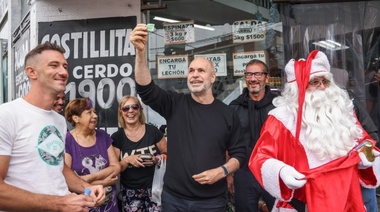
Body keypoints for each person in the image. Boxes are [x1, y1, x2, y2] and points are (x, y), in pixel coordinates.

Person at [130, 23, 246, 211]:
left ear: (212, 77)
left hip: (212, 202)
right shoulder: (175, 104)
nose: (195, 75)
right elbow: (146, 89)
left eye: (201, 71)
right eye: (191, 70)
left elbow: (239, 154)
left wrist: (222, 171)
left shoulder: (228, 114)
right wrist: (140, 53)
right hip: (174, 199)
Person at [248, 50, 380, 212]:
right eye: (314, 82)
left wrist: (367, 155)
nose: (323, 87)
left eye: (325, 81)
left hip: (347, 197)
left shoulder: (342, 110)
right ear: (298, 87)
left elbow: (365, 140)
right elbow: (260, 157)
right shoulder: (281, 118)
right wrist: (281, 171)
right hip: (305, 202)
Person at [0, 42, 105, 211]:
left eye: (65, 66)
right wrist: (60, 203)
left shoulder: (59, 120)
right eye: (54, 66)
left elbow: (57, 165)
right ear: (31, 72)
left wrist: (86, 188)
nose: (63, 72)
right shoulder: (6, 115)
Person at [229, 59, 276, 212]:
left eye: (257, 74)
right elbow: (227, 141)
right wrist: (229, 173)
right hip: (244, 174)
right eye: (249, 74)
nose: (253, 79)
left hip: (274, 173)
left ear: (266, 78)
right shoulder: (234, 108)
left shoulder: (279, 105)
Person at [111, 95, 167, 211]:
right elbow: (114, 169)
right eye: (126, 108)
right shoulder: (117, 137)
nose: (130, 111)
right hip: (130, 192)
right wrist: (127, 160)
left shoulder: (153, 131)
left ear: (140, 110)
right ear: (121, 112)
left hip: (156, 188)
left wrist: (157, 159)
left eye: (134, 107)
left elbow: (168, 154)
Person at [65, 97, 121, 212]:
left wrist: (89, 178)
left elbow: (116, 167)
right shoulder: (67, 140)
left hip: (109, 205)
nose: (95, 116)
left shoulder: (103, 136)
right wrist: (102, 182)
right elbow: (67, 180)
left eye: (94, 112)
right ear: (76, 118)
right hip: (83, 207)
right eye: (89, 112)